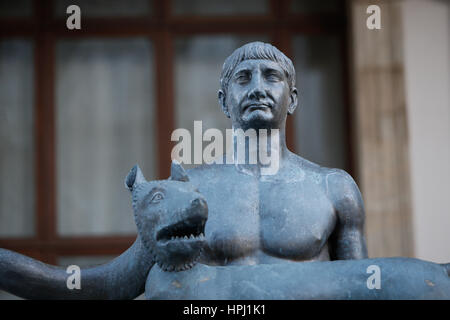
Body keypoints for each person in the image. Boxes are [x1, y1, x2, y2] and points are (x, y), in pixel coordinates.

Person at [0, 42, 368, 299]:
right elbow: (110, 284)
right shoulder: (190, 189)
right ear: (225, 102)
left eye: (271, 76)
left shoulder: (334, 187)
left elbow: (364, 289)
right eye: (243, 78)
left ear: (293, 98)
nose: (257, 88)